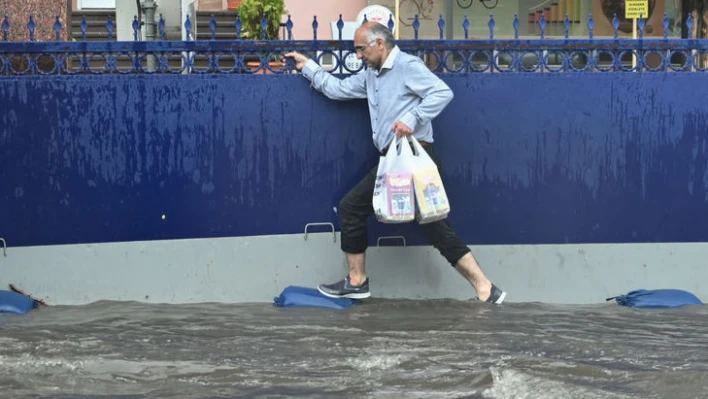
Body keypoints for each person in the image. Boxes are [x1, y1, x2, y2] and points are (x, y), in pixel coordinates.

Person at [284, 22, 506, 304]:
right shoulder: (371, 75)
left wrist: (412, 119)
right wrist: (308, 67)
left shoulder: (406, 66)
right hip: (397, 161)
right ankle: (487, 290)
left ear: (379, 43)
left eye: (361, 49)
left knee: (353, 208)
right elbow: (337, 89)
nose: (359, 56)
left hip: (412, 159)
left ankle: (357, 282)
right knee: (435, 229)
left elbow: (442, 92)